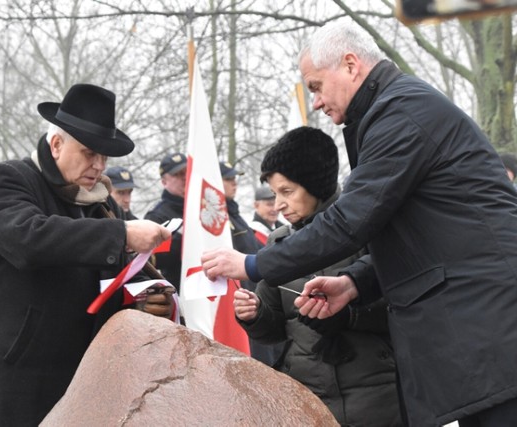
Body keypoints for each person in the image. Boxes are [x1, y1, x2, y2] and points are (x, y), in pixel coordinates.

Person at [202, 21, 517, 427]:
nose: (314, 102)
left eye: (315, 86)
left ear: (350, 65)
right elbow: (417, 236)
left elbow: (349, 221)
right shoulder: (395, 111)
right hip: (482, 329)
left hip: (490, 327)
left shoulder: (401, 113)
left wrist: (250, 265)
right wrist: (355, 283)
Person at [0, 84, 172, 427]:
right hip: (12, 381)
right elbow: (29, 240)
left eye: (104, 157)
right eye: (88, 153)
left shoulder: (103, 206)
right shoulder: (8, 180)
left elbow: (118, 275)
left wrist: (147, 298)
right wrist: (123, 234)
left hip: (79, 379)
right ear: (56, 144)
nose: (98, 166)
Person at [233, 127, 400, 426]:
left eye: (288, 192)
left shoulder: (368, 231)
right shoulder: (278, 244)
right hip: (308, 401)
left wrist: (349, 317)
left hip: (380, 398)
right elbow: (275, 329)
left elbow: (401, 306)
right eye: (274, 194)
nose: (278, 204)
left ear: (315, 185)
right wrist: (255, 314)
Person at [220, 160, 281, 366]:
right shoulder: (225, 218)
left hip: (254, 298)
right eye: (228, 179)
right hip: (239, 301)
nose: (234, 183)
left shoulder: (236, 216)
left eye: (234, 179)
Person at [144, 152, 187, 293]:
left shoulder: (202, 207)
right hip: (179, 291)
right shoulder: (156, 216)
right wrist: (183, 234)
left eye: (187, 172)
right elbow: (155, 261)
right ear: (164, 181)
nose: (184, 178)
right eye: (177, 174)